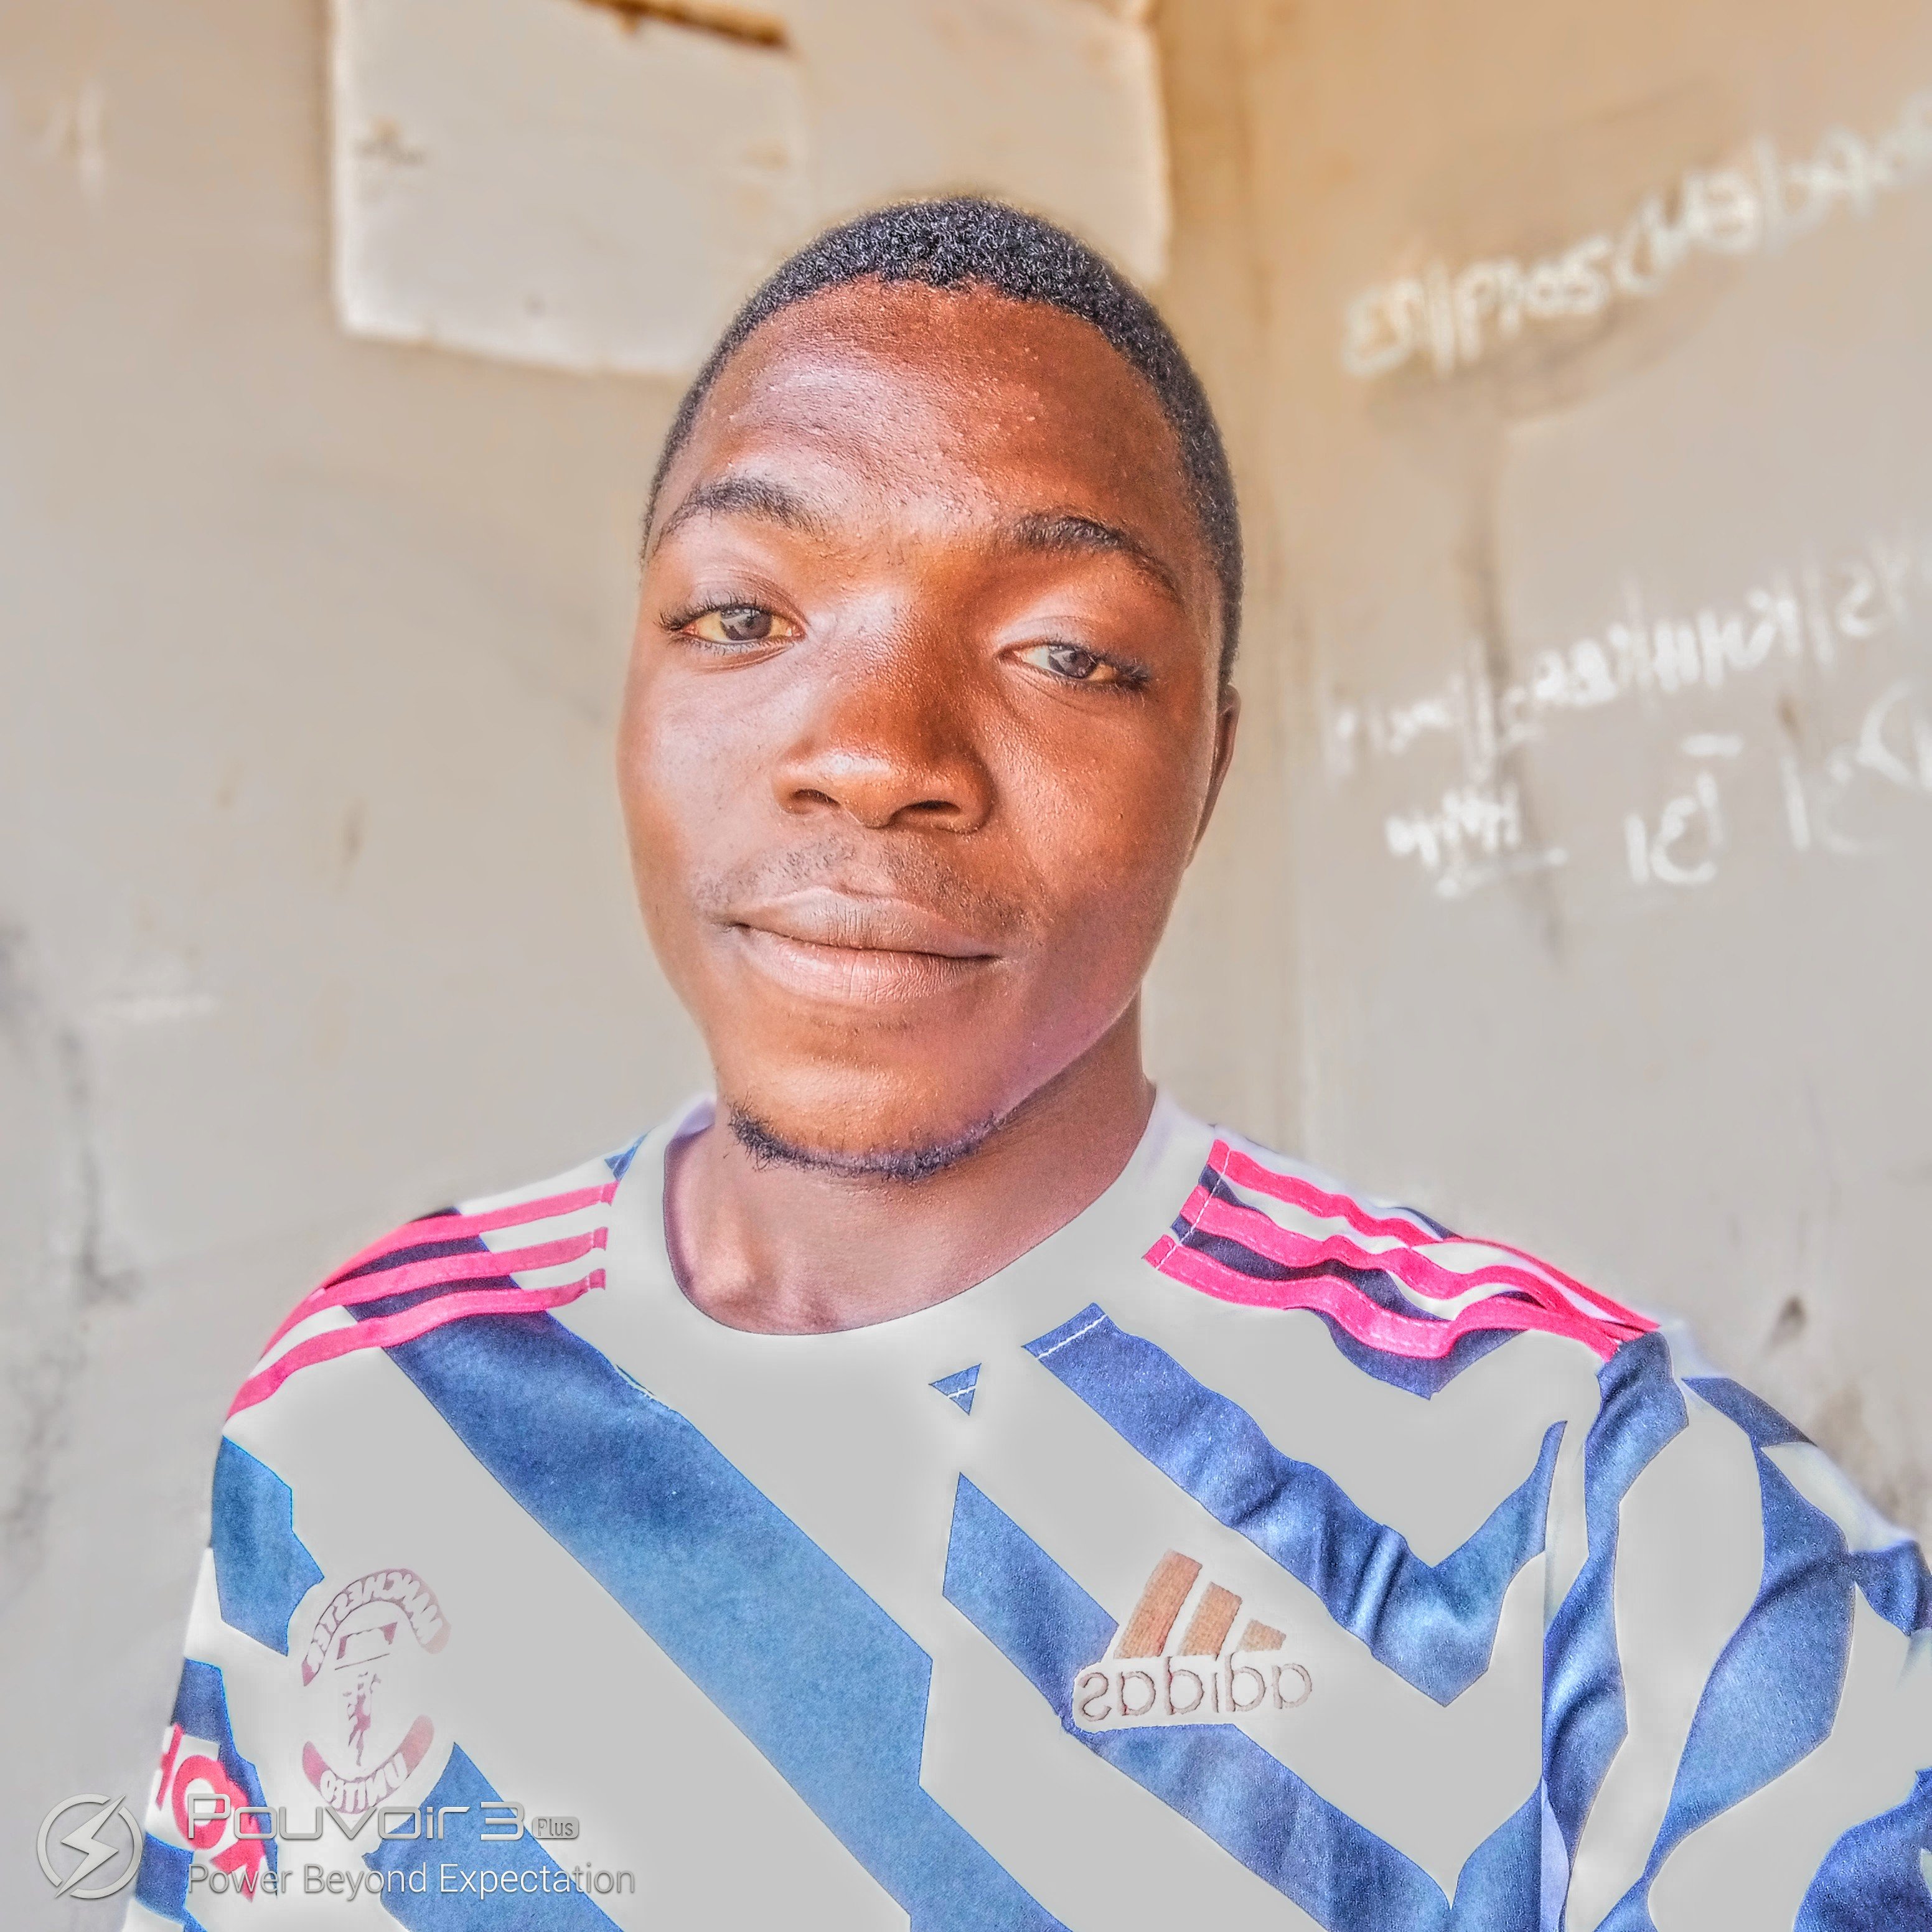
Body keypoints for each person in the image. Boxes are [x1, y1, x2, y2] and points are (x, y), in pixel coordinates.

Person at [127, 199, 1930, 1932]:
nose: (874, 752)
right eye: (743, 616)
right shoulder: (363, 1411)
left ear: (1209, 771)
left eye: (1065, 653)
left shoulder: (1603, 1509)